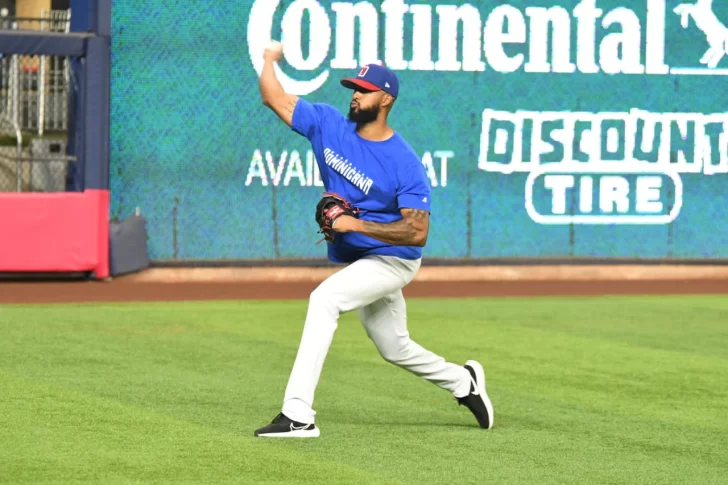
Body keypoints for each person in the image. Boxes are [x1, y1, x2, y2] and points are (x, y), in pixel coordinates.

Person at [253, 41, 494, 438]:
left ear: (385, 99)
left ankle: (298, 415)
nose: (355, 94)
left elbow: (417, 233)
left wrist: (354, 225)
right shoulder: (328, 124)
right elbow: (272, 96)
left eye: (364, 90)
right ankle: (464, 383)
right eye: (353, 88)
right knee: (394, 347)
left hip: (394, 260)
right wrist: (268, 60)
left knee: (324, 299)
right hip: (363, 260)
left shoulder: (404, 162)